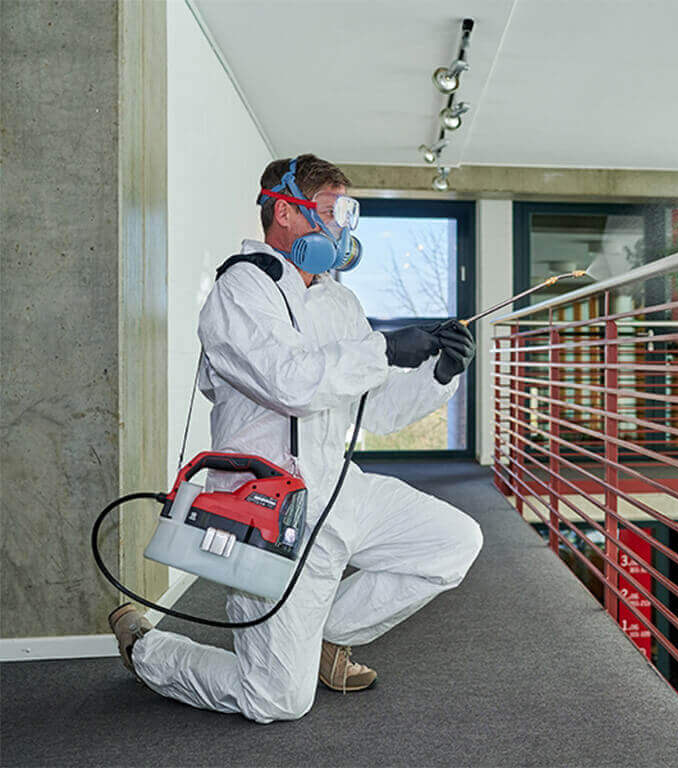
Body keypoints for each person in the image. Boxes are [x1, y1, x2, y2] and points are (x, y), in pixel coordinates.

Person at [107, 154, 483, 723]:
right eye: (332, 212)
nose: (342, 230)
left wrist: (438, 373)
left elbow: (372, 411)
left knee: (453, 542)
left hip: (339, 489)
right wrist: (383, 349)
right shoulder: (240, 290)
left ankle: (326, 636)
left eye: (347, 215)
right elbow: (290, 384)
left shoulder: (338, 300)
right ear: (285, 210)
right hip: (271, 510)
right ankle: (146, 648)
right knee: (277, 700)